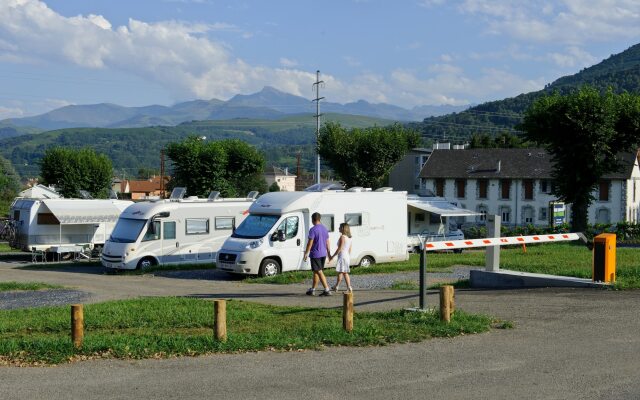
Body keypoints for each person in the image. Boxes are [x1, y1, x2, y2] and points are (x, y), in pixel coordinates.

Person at [303, 212, 332, 296]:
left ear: (313, 219)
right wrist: (329, 253)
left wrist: (306, 253)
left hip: (315, 253)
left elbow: (310, 243)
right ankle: (313, 289)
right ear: (319, 219)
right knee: (316, 271)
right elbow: (327, 242)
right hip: (323, 253)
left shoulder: (313, 229)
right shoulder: (324, 228)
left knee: (319, 271)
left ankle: (327, 289)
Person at [330, 223, 353, 293]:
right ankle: (338, 286)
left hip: (342, 255)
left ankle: (345, 287)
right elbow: (350, 249)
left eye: (340, 227)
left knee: (342, 272)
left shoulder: (342, 237)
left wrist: (333, 256)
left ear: (343, 228)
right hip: (347, 256)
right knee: (343, 272)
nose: (338, 228)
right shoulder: (349, 238)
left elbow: (340, 248)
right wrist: (348, 256)